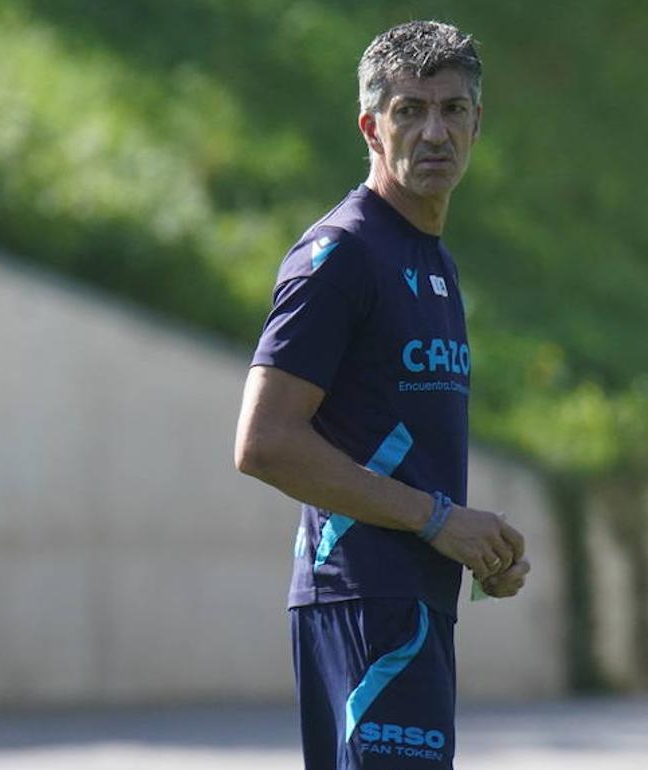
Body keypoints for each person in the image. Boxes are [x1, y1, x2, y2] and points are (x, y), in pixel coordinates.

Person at [234, 20, 530, 769]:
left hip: (412, 604)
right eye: (410, 110)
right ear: (371, 126)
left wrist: (475, 546)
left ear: (477, 124)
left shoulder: (432, 260)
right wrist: (437, 521)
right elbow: (264, 443)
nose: (435, 132)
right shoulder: (341, 255)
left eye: (453, 110)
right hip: (363, 605)